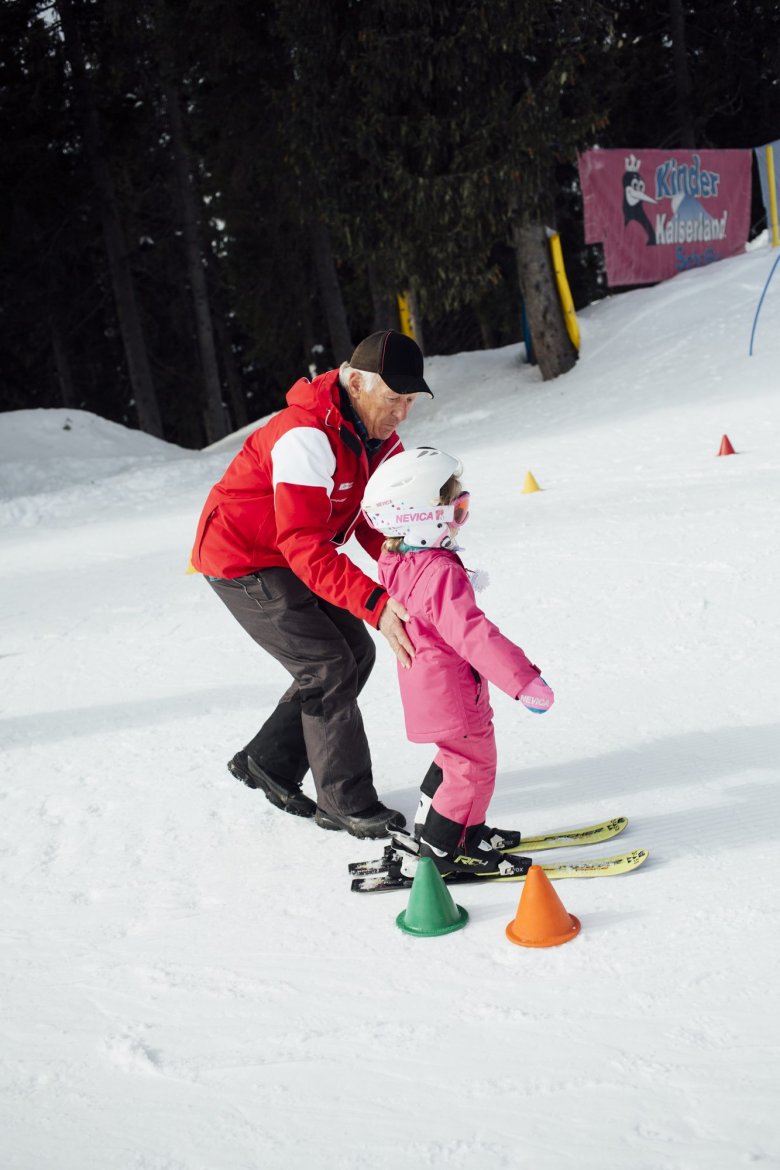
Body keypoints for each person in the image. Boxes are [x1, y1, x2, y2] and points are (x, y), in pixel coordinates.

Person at [190, 330, 433, 839]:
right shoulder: (307, 434)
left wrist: (410, 564)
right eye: (393, 399)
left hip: (287, 553)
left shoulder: (379, 437)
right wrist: (377, 602)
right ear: (358, 382)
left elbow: (376, 517)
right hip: (243, 557)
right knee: (326, 665)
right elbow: (304, 543)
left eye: (410, 401)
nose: (401, 414)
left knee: (355, 653)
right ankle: (344, 801)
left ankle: (268, 761)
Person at [361, 446, 555, 877]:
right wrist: (523, 681)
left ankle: (446, 830)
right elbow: (473, 635)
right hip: (453, 692)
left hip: (432, 689)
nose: (460, 516)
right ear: (420, 517)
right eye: (456, 507)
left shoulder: (398, 560)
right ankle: (452, 849)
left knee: (453, 758)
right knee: (472, 765)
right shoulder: (439, 573)